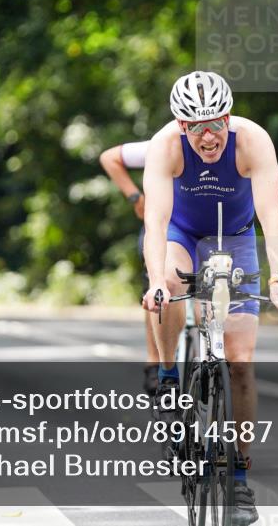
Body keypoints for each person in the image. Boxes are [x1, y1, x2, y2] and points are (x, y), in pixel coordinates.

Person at [141, 71, 278, 526]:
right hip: (183, 233)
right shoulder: (165, 146)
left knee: (241, 361)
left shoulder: (253, 141)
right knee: (170, 286)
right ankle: (170, 377)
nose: (208, 136)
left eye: (216, 123)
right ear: (179, 126)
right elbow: (156, 220)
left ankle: (240, 480)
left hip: (234, 236)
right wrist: (155, 279)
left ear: (229, 117)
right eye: (195, 126)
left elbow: (273, 216)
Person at [99, 140, 158, 397]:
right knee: (155, 286)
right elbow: (109, 157)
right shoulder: (164, 145)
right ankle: (155, 360)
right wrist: (136, 197)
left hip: (205, 229)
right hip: (162, 227)